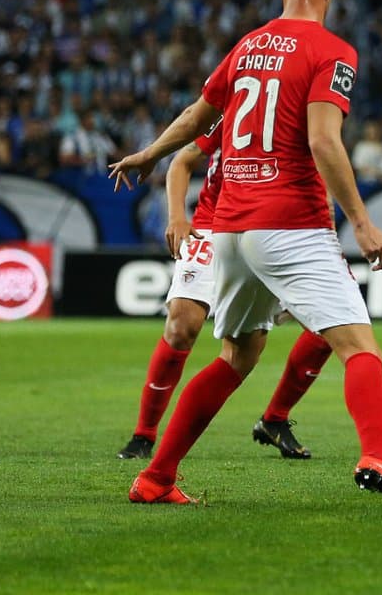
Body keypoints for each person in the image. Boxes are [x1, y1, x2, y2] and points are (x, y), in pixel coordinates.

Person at [110, 0, 382, 512]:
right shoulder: (333, 52)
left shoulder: (247, 45)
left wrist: (149, 153)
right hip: (291, 223)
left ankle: (156, 476)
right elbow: (323, 140)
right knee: (359, 347)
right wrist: (362, 222)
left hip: (230, 230)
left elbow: (197, 116)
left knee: (236, 357)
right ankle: (376, 456)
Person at [116, 119, 334, 462]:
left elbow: (322, 178)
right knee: (182, 326)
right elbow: (183, 160)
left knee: (329, 325)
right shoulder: (235, 110)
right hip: (211, 226)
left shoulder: (306, 120)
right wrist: (177, 217)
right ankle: (143, 435)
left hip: (274, 231)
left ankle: (275, 419)